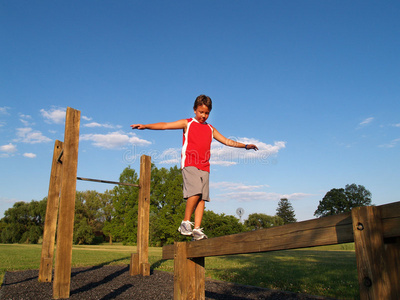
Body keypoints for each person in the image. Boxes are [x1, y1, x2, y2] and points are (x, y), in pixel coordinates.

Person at [131, 95, 258, 240]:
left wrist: (245, 146)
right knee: (196, 191)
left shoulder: (210, 129)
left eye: (207, 113)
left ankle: (197, 229)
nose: (203, 116)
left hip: (205, 166)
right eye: (201, 112)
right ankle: (185, 222)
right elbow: (165, 125)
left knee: (202, 198)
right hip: (190, 164)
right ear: (194, 110)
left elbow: (227, 141)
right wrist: (147, 126)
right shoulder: (188, 123)